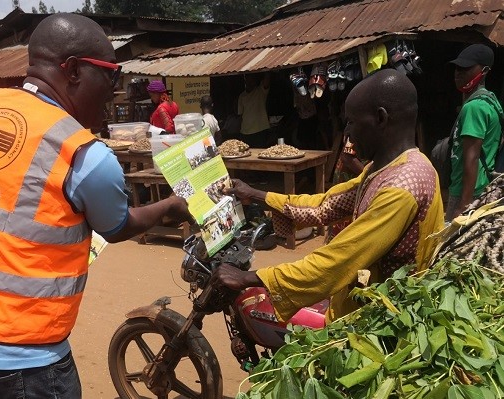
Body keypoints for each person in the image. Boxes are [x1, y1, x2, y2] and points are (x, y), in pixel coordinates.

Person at [0, 13, 192, 399]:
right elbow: (117, 227)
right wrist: (170, 206)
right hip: (21, 361)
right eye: (110, 75)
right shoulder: (83, 154)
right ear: (72, 70)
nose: (114, 90)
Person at [211, 69, 444, 323]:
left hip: (381, 323)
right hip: (360, 305)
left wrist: (249, 277)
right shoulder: (384, 168)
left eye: (352, 122)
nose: (347, 133)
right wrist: (256, 194)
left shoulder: (401, 188)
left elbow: (338, 261)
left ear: (380, 118)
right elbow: (325, 206)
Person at [446, 44, 503, 221]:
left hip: (466, 191)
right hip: (482, 186)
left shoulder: (474, 107)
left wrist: (464, 206)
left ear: (484, 71)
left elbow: (472, 156)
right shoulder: (491, 101)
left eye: (465, 68)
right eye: (457, 68)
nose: (458, 73)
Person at [238, 73, 271, 148]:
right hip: (245, 132)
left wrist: (266, 70)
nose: (249, 82)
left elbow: (266, 81)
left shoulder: (260, 91)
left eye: (251, 80)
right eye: (247, 80)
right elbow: (240, 115)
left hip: (260, 130)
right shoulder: (242, 96)